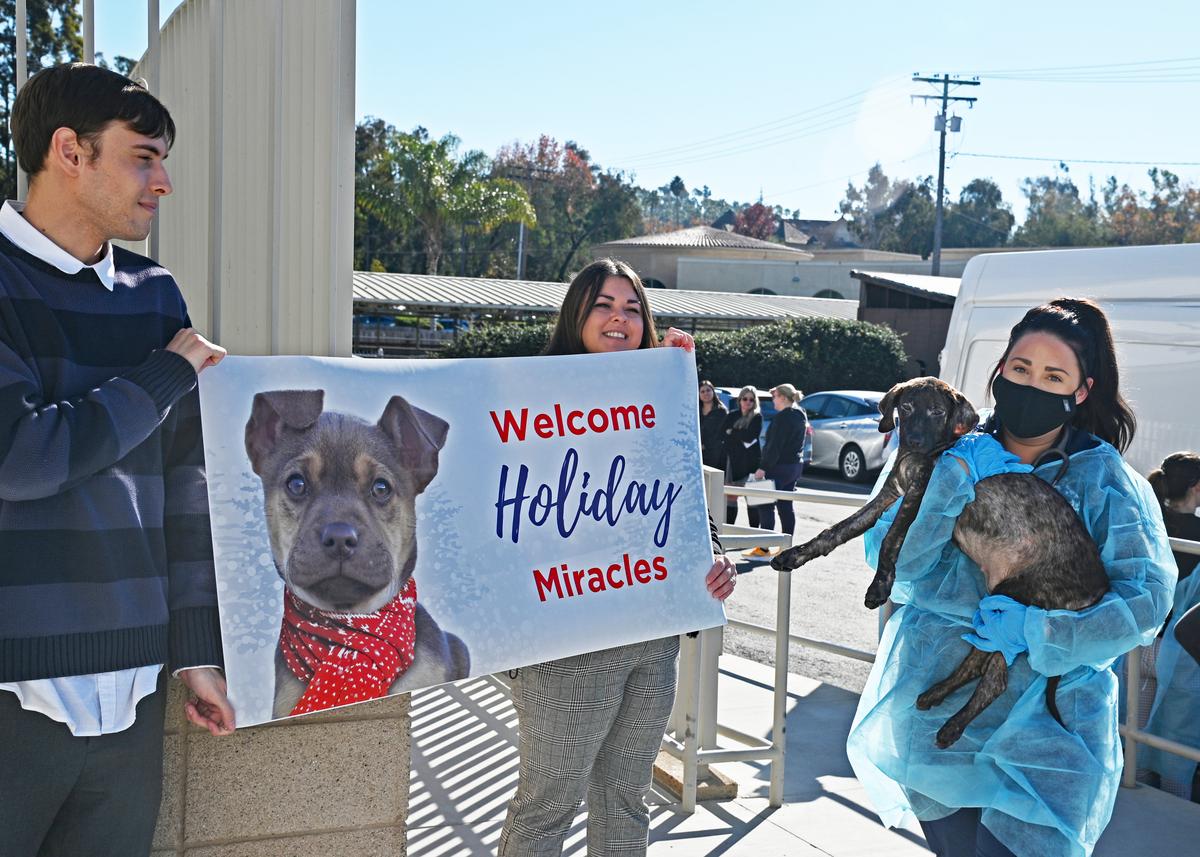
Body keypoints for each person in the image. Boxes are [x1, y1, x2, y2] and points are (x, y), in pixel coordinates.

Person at [0, 64, 234, 857]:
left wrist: (195, 651)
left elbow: (186, 487)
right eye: (143, 157)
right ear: (70, 151)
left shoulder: (155, 293)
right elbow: (20, 455)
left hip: (136, 692)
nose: (162, 182)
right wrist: (163, 377)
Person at [847, 298, 1175, 857]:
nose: (1032, 385)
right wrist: (945, 490)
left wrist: (1040, 632)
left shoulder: (1106, 481)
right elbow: (891, 563)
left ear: (1082, 391)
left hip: (1051, 727)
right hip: (936, 710)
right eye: (1021, 369)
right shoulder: (947, 453)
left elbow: (1144, 603)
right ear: (999, 370)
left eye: (1053, 377)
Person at [498, 258, 737, 857]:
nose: (619, 318)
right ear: (576, 314)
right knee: (548, 805)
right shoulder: (529, 396)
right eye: (603, 304)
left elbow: (680, 496)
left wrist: (712, 556)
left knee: (626, 801)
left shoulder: (659, 399)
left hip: (651, 637)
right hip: (564, 643)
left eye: (632, 308)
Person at [1140, 452, 1200, 800]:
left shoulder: (1148, 525)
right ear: (1196, 487)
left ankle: (1135, 802)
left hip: (1139, 644)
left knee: (1134, 735)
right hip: (1181, 656)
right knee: (1177, 748)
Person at [747, 383, 806, 558]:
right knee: (785, 506)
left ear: (783, 397)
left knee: (765, 505)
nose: (773, 400)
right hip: (794, 466)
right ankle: (786, 547)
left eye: (774, 396)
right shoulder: (800, 414)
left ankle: (764, 548)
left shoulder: (782, 418)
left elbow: (774, 446)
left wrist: (762, 467)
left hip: (778, 467)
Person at [722, 385, 763, 528]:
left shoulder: (757, 417)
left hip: (752, 464)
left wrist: (732, 432)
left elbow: (750, 436)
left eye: (751, 400)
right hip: (733, 463)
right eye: (745, 399)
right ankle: (729, 532)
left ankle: (753, 533)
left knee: (753, 501)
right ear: (739, 400)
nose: (748, 402)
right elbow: (723, 435)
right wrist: (739, 435)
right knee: (731, 498)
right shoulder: (732, 415)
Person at [698, 379, 728, 470]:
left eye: (708, 390)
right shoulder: (696, 411)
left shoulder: (721, 411)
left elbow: (721, 434)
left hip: (716, 455)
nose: (706, 393)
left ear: (713, 392)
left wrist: (705, 445)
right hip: (699, 454)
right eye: (702, 391)